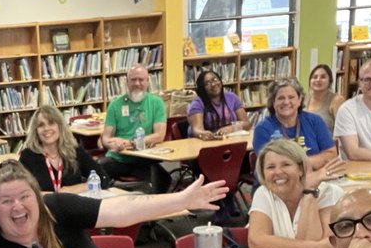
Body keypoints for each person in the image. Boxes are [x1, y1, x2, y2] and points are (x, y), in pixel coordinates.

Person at [0, 160, 231, 248]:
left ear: (37, 198)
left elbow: (119, 210)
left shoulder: (55, 206)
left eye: (25, 196)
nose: (17, 206)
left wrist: (180, 200)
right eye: (6, 201)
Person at [247, 138, 345, 248]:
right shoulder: (263, 193)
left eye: (286, 165)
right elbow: (256, 242)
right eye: (270, 167)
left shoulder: (329, 193)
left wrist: (309, 193)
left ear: (300, 169)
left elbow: (328, 246)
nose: (278, 172)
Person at [100, 64, 169, 192]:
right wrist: (113, 144)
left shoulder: (156, 103)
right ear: (126, 82)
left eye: (141, 80)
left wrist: (132, 143)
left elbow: (160, 135)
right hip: (118, 158)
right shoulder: (115, 105)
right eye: (133, 80)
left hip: (144, 158)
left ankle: (156, 209)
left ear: (148, 81)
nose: (137, 83)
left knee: (164, 179)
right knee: (97, 169)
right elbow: (105, 137)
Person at [252, 77, 338, 169]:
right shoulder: (263, 129)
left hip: (315, 177)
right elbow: (271, 166)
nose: (286, 102)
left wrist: (296, 164)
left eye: (291, 97)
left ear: (299, 100)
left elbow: (331, 155)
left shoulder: (315, 121)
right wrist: (314, 162)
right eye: (281, 98)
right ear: (273, 102)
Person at [17, 105, 101, 192]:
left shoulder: (74, 151)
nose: (46, 128)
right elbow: (21, 191)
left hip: (73, 204)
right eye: (41, 125)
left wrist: (73, 189)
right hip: (44, 205)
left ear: (60, 126)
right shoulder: (28, 156)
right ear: (36, 131)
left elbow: (102, 178)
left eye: (51, 123)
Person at [186, 69, 249, 140]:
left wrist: (231, 128)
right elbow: (197, 129)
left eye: (215, 79)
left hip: (230, 139)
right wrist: (203, 134)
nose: (213, 84)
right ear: (202, 88)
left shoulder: (232, 97)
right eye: (207, 83)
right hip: (207, 142)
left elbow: (246, 124)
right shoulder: (197, 103)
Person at [304, 63, 347, 134]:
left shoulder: (337, 100)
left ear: (330, 81)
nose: (318, 80)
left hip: (327, 143)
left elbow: (343, 129)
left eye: (323, 77)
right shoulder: (304, 99)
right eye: (314, 77)